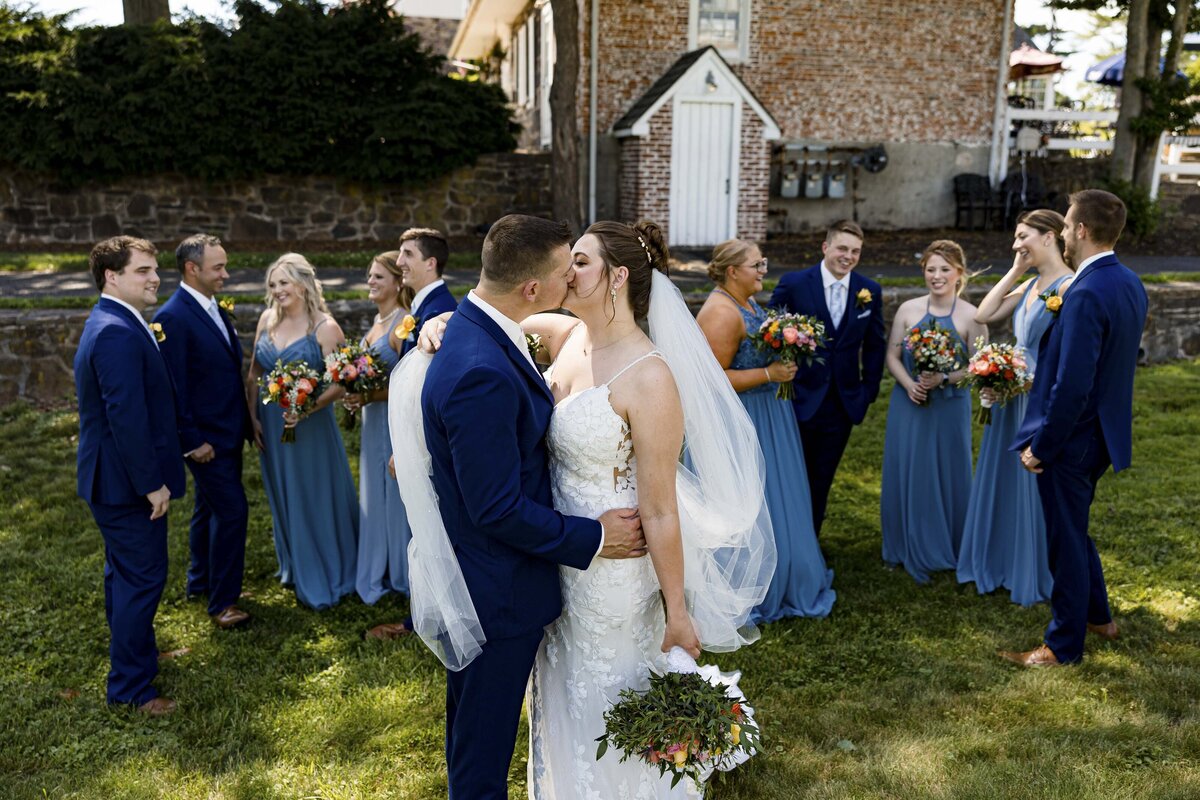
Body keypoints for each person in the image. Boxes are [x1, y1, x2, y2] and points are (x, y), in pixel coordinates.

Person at [403, 214, 651, 799]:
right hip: (497, 592)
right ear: (533, 289)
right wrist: (592, 538)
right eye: (567, 273)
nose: (575, 281)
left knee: (472, 741)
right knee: (482, 761)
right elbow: (496, 508)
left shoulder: (480, 329)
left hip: (487, 582)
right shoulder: (479, 370)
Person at [1001, 189, 1148, 667]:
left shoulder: (1085, 292)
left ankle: (1062, 647)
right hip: (1104, 432)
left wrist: (1042, 447)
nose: (1063, 232)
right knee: (1074, 528)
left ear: (1081, 231)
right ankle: (1099, 617)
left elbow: (1072, 386)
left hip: (1075, 438)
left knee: (1064, 541)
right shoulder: (1128, 282)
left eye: (1066, 225)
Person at [696, 238, 835, 623]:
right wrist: (768, 373)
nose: (763, 270)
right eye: (756, 265)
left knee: (775, 498)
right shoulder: (721, 313)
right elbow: (710, 380)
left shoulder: (746, 302)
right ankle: (748, 586)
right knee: (751, 502)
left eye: (763, 263)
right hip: (745, 418)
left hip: (770, 414)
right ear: (732, 271)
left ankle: (784, 572)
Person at [74, 236, 186, 715]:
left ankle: (139, 654)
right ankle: (131, 689)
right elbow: (126, 417)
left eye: (155, 269)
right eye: (142, 270)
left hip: (113, 479)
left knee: (124, 576)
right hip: (125, 484)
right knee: (142, 579)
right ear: (111, 277)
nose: (155, 277)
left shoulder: (117, 320)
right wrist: (150, 484)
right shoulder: (116, 330)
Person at [957, 211, 1073, 607]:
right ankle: (1002, 558)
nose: (1015, 243)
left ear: (1049, 237)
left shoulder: (1069, 286)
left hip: (1037, 396)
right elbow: (983, 314)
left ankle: (1031, 567)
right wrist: (1014, 270)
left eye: (1023, 236)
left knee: (1031, 483)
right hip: (1010, 393)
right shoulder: (1029, 284)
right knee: (1004, 479)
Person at [246, 253, 359, 610]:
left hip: (311, 428)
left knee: (314, 493)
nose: (277, 290)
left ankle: (329, 569)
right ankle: (295, 565)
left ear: (303, 284)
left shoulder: (324, 327)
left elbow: (343, 382)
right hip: (272, 428)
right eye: (273, 284)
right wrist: (253, 421)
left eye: (284, 283)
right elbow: (253, 374)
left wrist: (308, 406)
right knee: (285, 493)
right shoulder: (266, 320)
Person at [154, 234, 252, 629]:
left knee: (207, 508)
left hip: (227, 431)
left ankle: (201, 581)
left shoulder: (212, 306)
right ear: (192, 269)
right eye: (218, 268)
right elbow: (172, 385)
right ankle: (223, 603)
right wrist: (192, 440)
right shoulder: (173, 317)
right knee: (232, 512)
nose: (226, 274)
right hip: (205, 438)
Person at [364, 228, 459, 640]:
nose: (399, 262)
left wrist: (408, 447)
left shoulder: (440, 309)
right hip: (406, 437)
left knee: (431, 527)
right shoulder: (421, 307)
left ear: (430, 263)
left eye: (406, 255)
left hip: (424, 443)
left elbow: (431, 389)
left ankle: (428, 618)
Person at [769, 220, 885, 535]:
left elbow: (876, 345)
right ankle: (784, 539)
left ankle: (811, 544)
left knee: (823, 478)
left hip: (843, 402)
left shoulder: (869, 291)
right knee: (791, 475)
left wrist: (868, 391)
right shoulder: (794, 284)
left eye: (856, 251)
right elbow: (769, 334)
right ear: (826, 247)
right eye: (842, 248)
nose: (848, 256)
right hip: (798, 399)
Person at [880, 240, 986, 584]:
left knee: (947, 470)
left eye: (944, 269)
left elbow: (979, 367)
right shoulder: (909, 310)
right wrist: (910, 384)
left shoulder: (973, 316)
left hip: (950, 407)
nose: (936, 276)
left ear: (959, 273)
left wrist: (945, 377)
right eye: (930, 269)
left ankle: (950, 542)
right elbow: (892, 357)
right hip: (909, 403)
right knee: (909, 467)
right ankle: (903, 543)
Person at [344, 251, 414, 606]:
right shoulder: (376, 321)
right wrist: (356, 394)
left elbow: (406, 383)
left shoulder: (403, 324)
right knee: (374, 490)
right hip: (372, 422)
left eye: (378, 277)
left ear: (398, 282)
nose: (370, 281)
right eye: (369, 276)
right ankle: (379, 565)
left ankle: (402, 571)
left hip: (391, 421)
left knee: (396, 496)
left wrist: (368, 394)